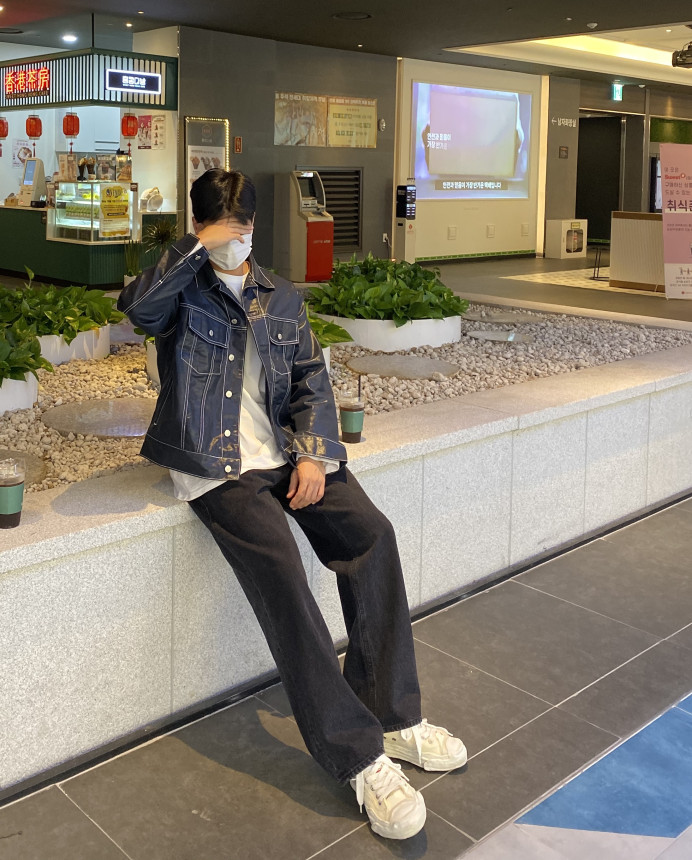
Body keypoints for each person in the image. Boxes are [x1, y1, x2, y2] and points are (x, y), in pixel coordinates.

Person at [118, 168, 467, 841]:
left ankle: (394, 715)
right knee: (281, 566)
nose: (234, 242)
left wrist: (312, 453)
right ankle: (357, 756)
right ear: (199, 228)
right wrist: (195, 248)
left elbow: (311, 378)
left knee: (372, 534)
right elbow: (138, 310)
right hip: (215, 466)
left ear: (256, 226)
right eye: (220, 231)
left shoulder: (280, 296)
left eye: (242, 229)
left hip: (285, 454)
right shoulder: (179, 289)